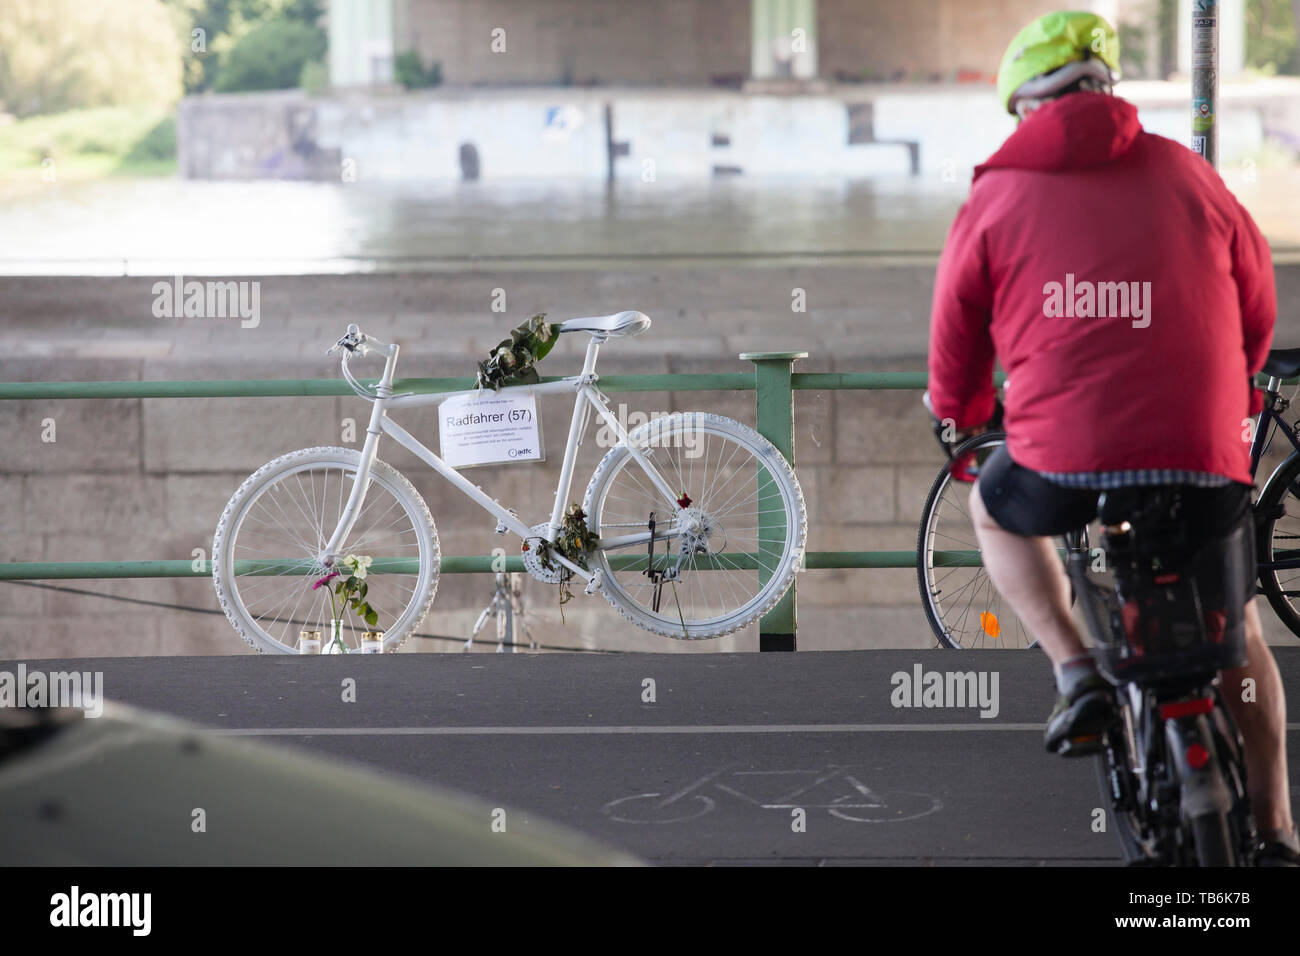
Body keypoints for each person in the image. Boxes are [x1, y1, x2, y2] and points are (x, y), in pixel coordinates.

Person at [925, 10, 1297, 865]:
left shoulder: (994, 194)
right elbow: (1256, 294)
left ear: (1026, 105)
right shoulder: (1185, 172)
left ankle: (1075, 671)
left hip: (1064, 459)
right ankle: (1277, 831)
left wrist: (961, 406)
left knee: (993, 503)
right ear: (1108, 92)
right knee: (1236, 631)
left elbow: (956, 337)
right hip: (1203, 451)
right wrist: (1233, 381)